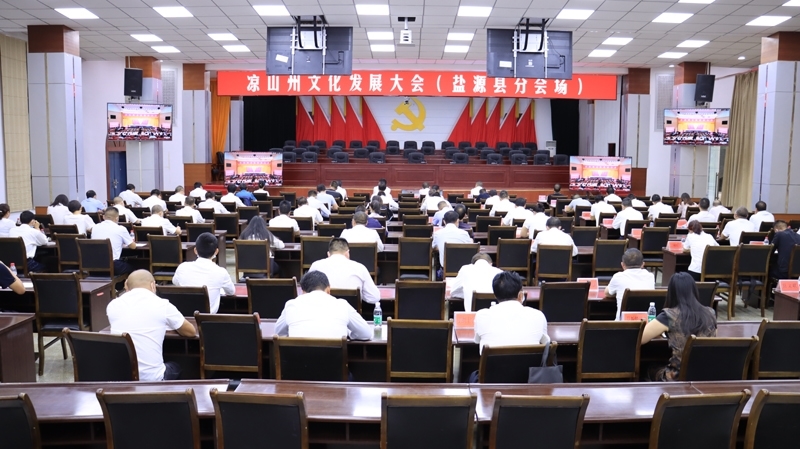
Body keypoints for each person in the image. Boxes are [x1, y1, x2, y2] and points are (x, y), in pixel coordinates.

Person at [107, 270, 196, 381]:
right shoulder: (162, 305)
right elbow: (191, 332)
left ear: (126, 286)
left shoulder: (113, 306)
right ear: (153, 285)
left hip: (123, 377)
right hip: (153, 378)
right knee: (177, 365)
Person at [641, 273, 716, 381]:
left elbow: (640, 338)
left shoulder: (669, 315)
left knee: (647, 366)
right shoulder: (710, 313)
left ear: (671, 292)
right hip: (705, 374)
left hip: (677, 377)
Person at [275, 271, 372, 339]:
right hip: (334, 363)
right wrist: (348, 334)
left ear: (302, 291)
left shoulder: (291, 305)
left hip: (297, 362)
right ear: (328, 289)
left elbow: (278, 333)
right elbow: (366, 333)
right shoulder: (342, 305)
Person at [473, 271, 548, 354]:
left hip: (494, 363)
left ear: (495, 295)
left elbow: (477, 341)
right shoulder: (538, 316)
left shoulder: (481, 316)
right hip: (529, 363)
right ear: (520, 295)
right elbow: (546, 342)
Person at [172, 233, 234, 314]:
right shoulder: (221, 272)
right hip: (207, 318)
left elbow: (175, 282)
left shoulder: (182, 267)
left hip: (184, 316)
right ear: (216, 252)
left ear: (195, 250)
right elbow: (231, 292)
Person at [307, 238, 381, 304]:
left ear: (328, 254)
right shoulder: (360, 268)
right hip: (351, 314)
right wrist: (360, 295)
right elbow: (374, 297)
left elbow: (306, 293)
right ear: (347, 253)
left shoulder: (316, 266)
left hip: (321, 312)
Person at [604, 249, 656, 320]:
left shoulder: (618, 277)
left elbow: (607, 293)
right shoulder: (650, 276)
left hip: (623, 323)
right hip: (645, 322)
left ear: (622, 265)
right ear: (643, 264)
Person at [90, 208, 136, 275]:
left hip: (93, 265)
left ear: (103, 217)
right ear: (117, 218)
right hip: (113, 266)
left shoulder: (95, 227)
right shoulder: (121, 229)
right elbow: (133, 247)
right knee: (135, 267)